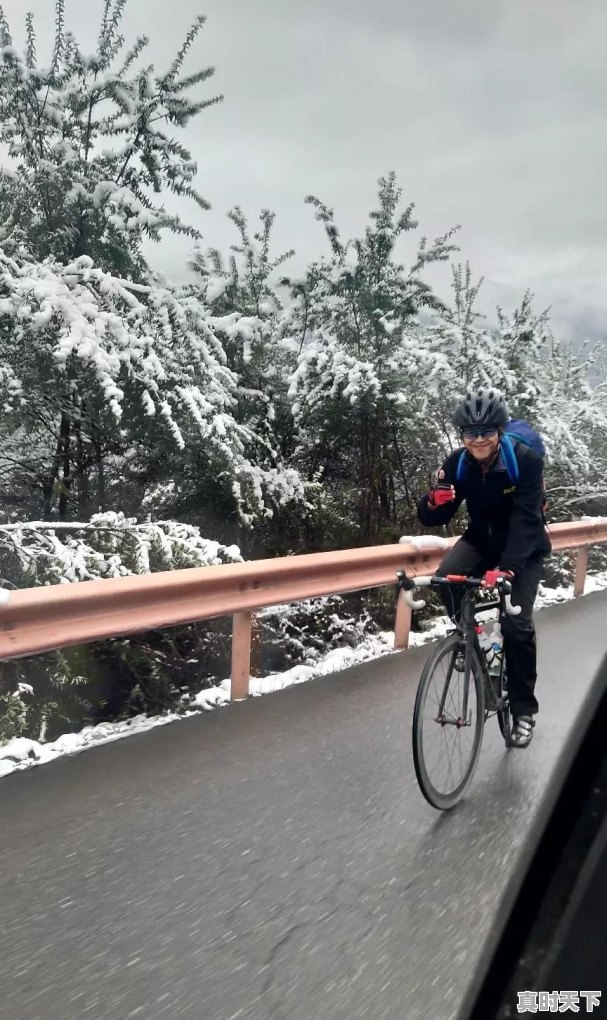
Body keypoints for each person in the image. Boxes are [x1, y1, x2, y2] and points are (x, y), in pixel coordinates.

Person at [417, 386, 551, 748]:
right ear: (462, 434)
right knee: (445, 579)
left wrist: (508, 568)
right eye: (471, 433)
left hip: (524, 548)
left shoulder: (524, 461)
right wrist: (433, 501)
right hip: (480, 541)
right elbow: (435, 515)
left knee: (516, 624)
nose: (478, 440)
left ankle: (524, 710)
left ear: (500, 431)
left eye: (486, 432)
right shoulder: (457, 462)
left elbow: (527, 521)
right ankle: (473, 642)